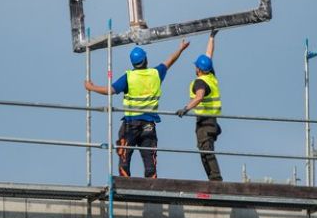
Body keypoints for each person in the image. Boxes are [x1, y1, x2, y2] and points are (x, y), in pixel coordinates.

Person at [85, 39, 190, 178]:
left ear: (133, 63)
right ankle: (151, 186)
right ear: (145, 60)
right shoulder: (155, 74)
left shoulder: (129, 77)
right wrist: (181, 48)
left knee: (124, 156)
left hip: (131, 125)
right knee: (149, 159)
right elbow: (170, 60)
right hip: (149, 125)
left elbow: (110, 90)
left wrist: (91, 87)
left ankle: (125, 184)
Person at [176, 29, 223, 181]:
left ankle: (215, 180)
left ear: (199, 69)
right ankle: (213, 179)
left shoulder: (200, 82)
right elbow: (209, 55)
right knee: (205, 150)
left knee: (206, 150)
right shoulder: (210, 76)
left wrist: (185, 109)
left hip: (205, 122)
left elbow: (199, 97)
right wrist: (211, 37)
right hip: (212, 121)